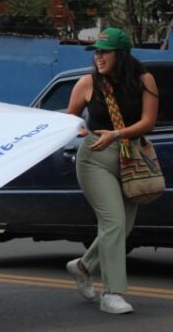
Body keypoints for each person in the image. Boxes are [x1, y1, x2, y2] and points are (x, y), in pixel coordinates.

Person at [65, 27, 159, 314]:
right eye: (96, 52)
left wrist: (117, 135)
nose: (98, 57)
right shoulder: (87, 83)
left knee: (122, 226)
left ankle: (83, 266)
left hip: (130, 156)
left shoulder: (144, 80)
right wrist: (78, 126)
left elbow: (148, 123)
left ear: (121, 54)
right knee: (114, 222)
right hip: (95, 158)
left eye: (104, 52)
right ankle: (112, 294)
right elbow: (70, 115)